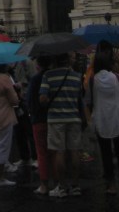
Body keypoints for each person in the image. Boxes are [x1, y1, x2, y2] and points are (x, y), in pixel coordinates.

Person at [85, 44, 119, 195]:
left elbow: (88, 100)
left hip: (101, 118)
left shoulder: (93, 80)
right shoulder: (117, 78)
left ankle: (111, 184)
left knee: (106, 152)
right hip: (117, 117)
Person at [39, 52, 84, 197]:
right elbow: (80, 96)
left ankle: (62, 187)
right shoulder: (77, 76)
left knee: (59, 152)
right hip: (73, 116)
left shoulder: (48, 75)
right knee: (75, 151)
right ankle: (76, 186)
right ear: (68, 60)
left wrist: (48, 99)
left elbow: (43, 98)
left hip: (56, 118)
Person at [26, 55, 52, 195]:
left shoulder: (36, 78)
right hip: (53, 118)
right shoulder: (53, 76)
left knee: (41, 153)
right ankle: (58, 182)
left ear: (38, 64)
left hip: (39, 119)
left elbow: (30, 100)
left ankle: (44, 184)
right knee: (55, 151)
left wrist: (31, 112)